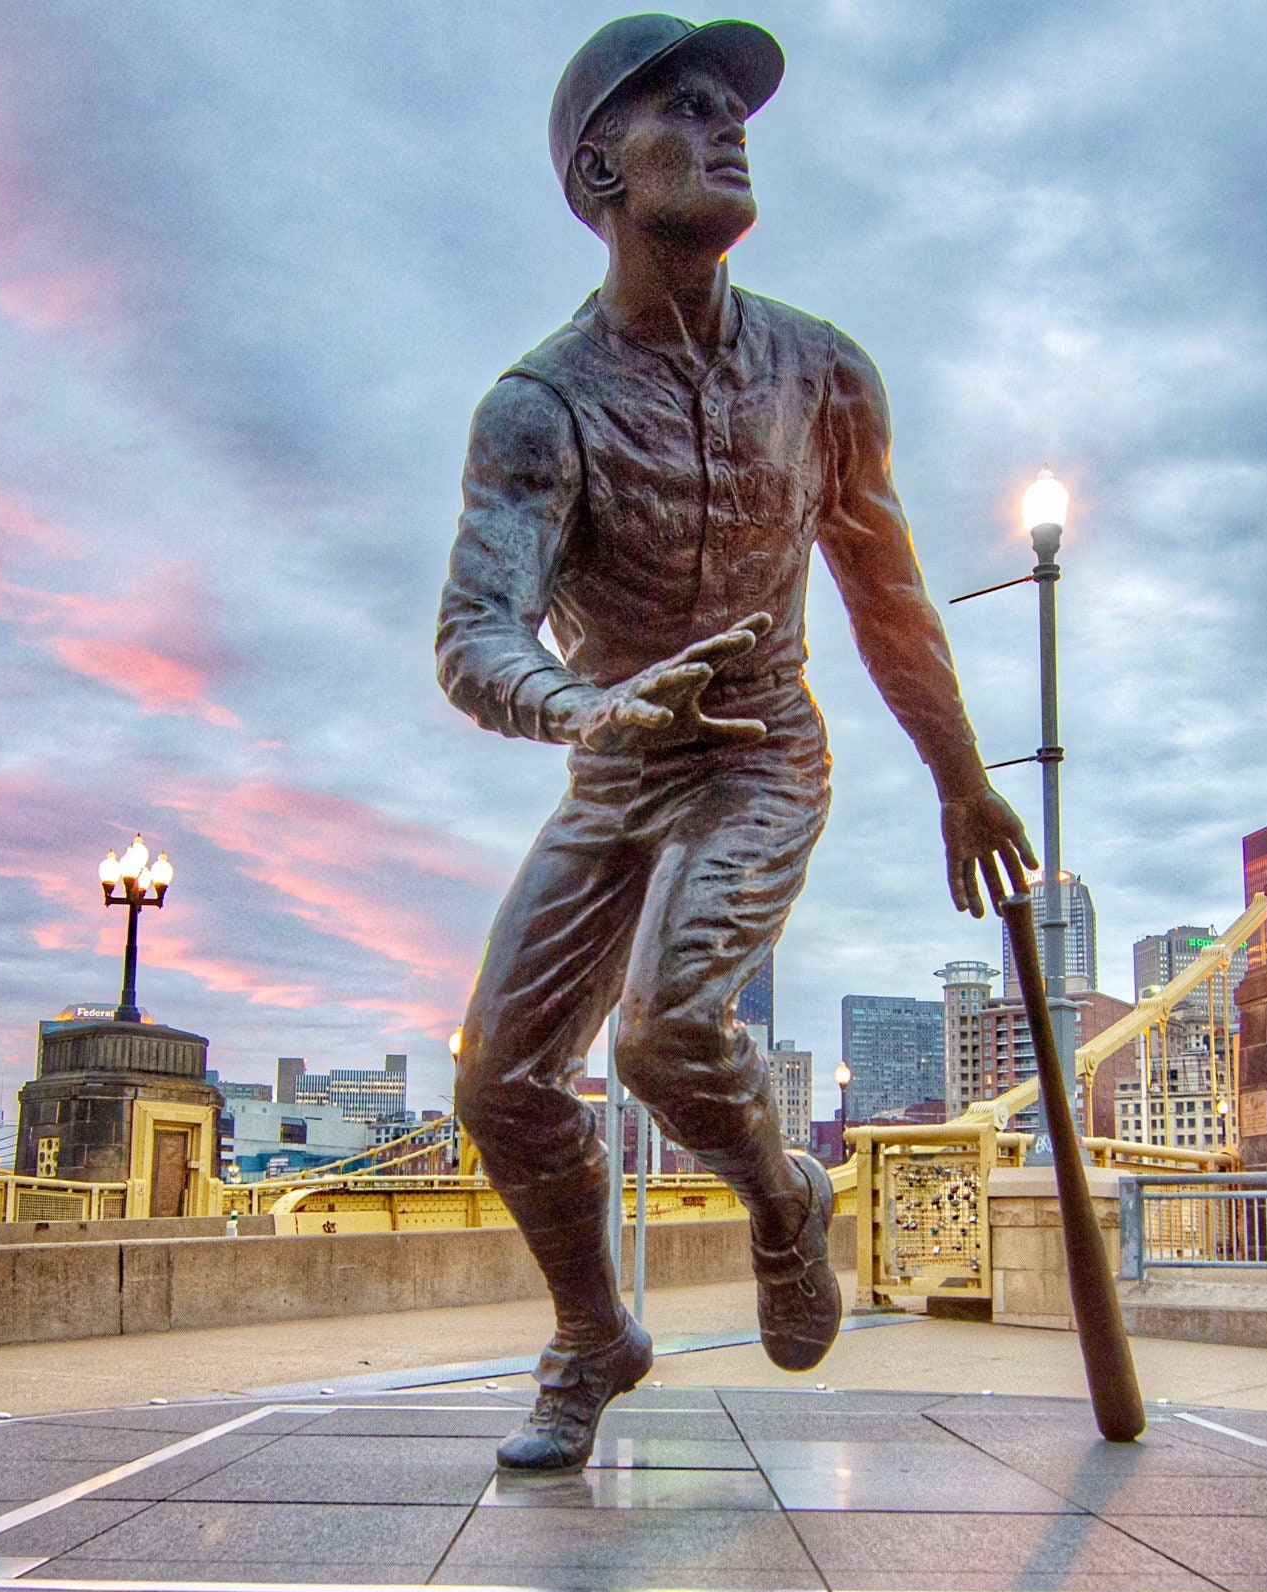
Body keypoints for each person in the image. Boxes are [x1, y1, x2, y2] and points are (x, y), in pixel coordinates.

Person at [438, 15, 1033, 1471]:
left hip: (763, 753)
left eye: (735, 107)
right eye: (685, 110)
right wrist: (587, 707)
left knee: (669, 1030)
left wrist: (964, 781)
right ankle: (594, 1335)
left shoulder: (823, 374)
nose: (730, 126)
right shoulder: (542, 406)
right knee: (498, 1079)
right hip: (619, 761)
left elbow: (884, 589)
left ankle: (785, 1201)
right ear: (600, 167)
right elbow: (475, 634)